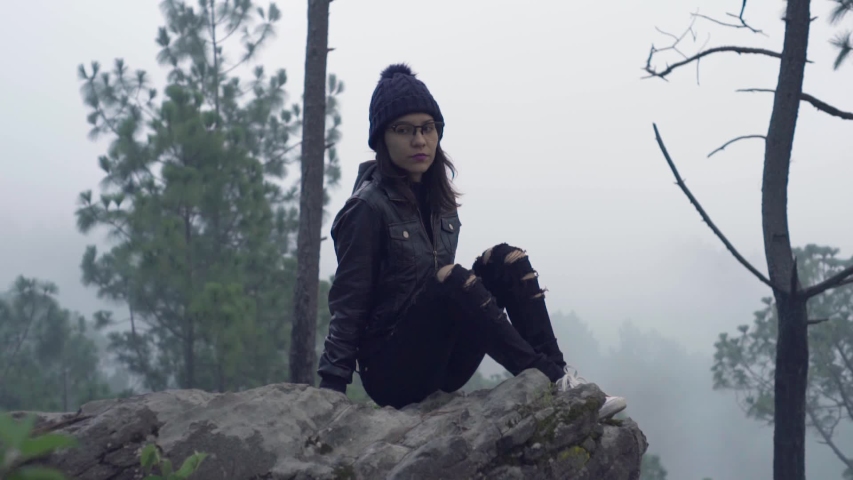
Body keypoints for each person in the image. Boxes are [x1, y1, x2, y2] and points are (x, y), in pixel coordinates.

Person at [316, 63, 626, 418]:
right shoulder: (367, 208)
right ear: (382, 139)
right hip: (392, 374)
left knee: (506, 260)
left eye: (427, 128)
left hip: (441, 364)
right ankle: (550, 378)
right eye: (403, 130)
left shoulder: (438, 200)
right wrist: (331, 392)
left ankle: (561, 382)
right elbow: (349, 304)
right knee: (453, 279)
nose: (419, 140)